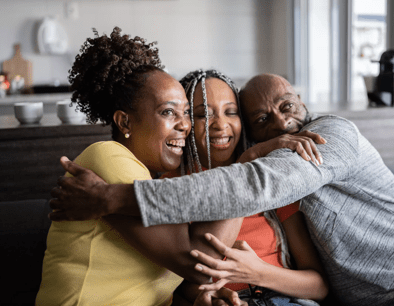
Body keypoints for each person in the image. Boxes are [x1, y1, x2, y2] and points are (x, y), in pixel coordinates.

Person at [49, 73, 394, 306]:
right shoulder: (193, 184)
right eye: (261, 118)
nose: (281, 124)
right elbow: (190, 273)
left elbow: (253, 186)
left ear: (302, 102)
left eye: (287, 106)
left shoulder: (331, 136)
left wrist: (112, 198)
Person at [36, 27, 247, 306]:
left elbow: (162, 272)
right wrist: (248, 166)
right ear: (125, 122)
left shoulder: (148, 179)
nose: (184, 125)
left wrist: (200, 296)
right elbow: (199, 263)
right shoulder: (108, 157)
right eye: (168, 112)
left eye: (185, 113)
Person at [167, 69, 328, 305]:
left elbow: (319, 286)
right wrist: (203, 298)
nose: (220, 124)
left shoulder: (269, 176)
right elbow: (173, 283)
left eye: (230, 112)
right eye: (203, 115)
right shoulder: (168, 186)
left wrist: (257, 272)